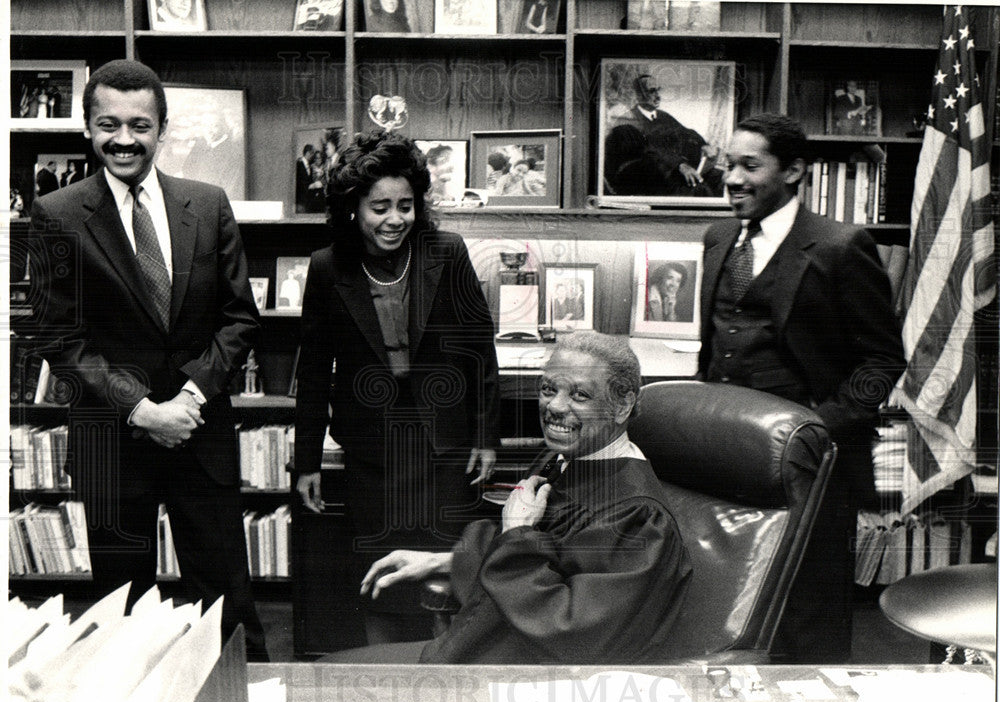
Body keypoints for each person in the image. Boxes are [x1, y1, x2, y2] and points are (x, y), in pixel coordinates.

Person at [29, 60, 267, 660]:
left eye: (140, 125)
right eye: (108, 124)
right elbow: (60, 337)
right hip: (113, 441)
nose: (124, 139)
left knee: (227, 600)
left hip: (200, 430)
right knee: (121, 609)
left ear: (163, 128)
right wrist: (140, 409)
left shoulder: (208, 204)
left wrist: (187, 399)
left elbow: (240, 319)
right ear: (87, 127)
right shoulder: (57, 214)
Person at [698, 113, 905, 663]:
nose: (732, 179)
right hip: (728, 456)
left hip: (815, 464)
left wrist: (819, 426)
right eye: (728, 164)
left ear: (793, 171)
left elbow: (882, 362)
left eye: (750, 165)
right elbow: (714, 346)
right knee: (730, 595)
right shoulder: (718, 238)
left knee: (808, 610)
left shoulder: (841, 246)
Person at [352, 332, 692, 664]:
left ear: (622, 405)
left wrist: (517, 534)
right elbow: (542, 555)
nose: (555, 406)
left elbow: (576, 634)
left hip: (533, 684)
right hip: (493, 646)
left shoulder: (639, 518)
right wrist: (445, 561)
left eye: (580, 396)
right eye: (548, 389)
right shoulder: (562, 460)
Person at [295, 130, 500, 644]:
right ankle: (388, 678)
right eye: (380, 207)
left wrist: (485, 436)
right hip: (372, 452)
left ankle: (447, 673)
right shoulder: (326, 268)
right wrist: (306, 463)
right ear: (352, 209)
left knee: (441, 579)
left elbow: (479, 349)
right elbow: (316, 370)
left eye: (405, 206)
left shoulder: (447, 253)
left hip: (444, 446)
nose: (394, 220)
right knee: (381, 576)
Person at [607, 73, 723, 198]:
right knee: (700, 190)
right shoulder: (628, 120)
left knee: (720, 177)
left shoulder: (662, 116)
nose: (658, 96)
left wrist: (703, 145)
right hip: (655, 180)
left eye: (658, 90)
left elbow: (686, 132)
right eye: (652, 91)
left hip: (675, 171)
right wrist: (679, 165)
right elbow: (648, 152)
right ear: (638, 95)